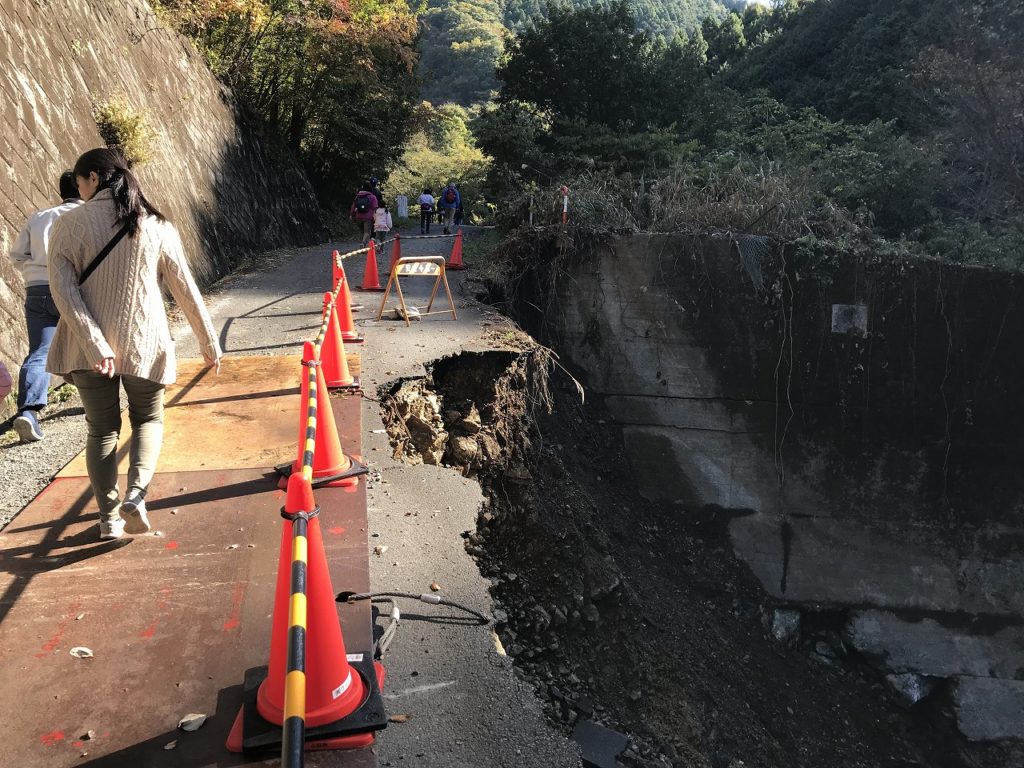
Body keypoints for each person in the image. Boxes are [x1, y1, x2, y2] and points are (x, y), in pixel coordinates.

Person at [46, 148, 221, 541]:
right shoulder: (157, 225)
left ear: (92, 178)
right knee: (148, 420)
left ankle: (108, 519)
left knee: (102, 430)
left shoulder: (69, 223)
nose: (80, 192)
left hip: (88, 352)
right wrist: (208, 341)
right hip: (145, 341)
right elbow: (185, 287)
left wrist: (95, 343)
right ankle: (137, 496)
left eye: (79, 184)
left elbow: (63, 291)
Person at [8, 171, 82, 443]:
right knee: (88, 341)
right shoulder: (87, 215)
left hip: (37, 289)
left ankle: (28, 412)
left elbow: (17, 255)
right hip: (74, 287)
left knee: (41, 351)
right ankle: (97, 399)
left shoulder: (40, 217)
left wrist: (36, 270)